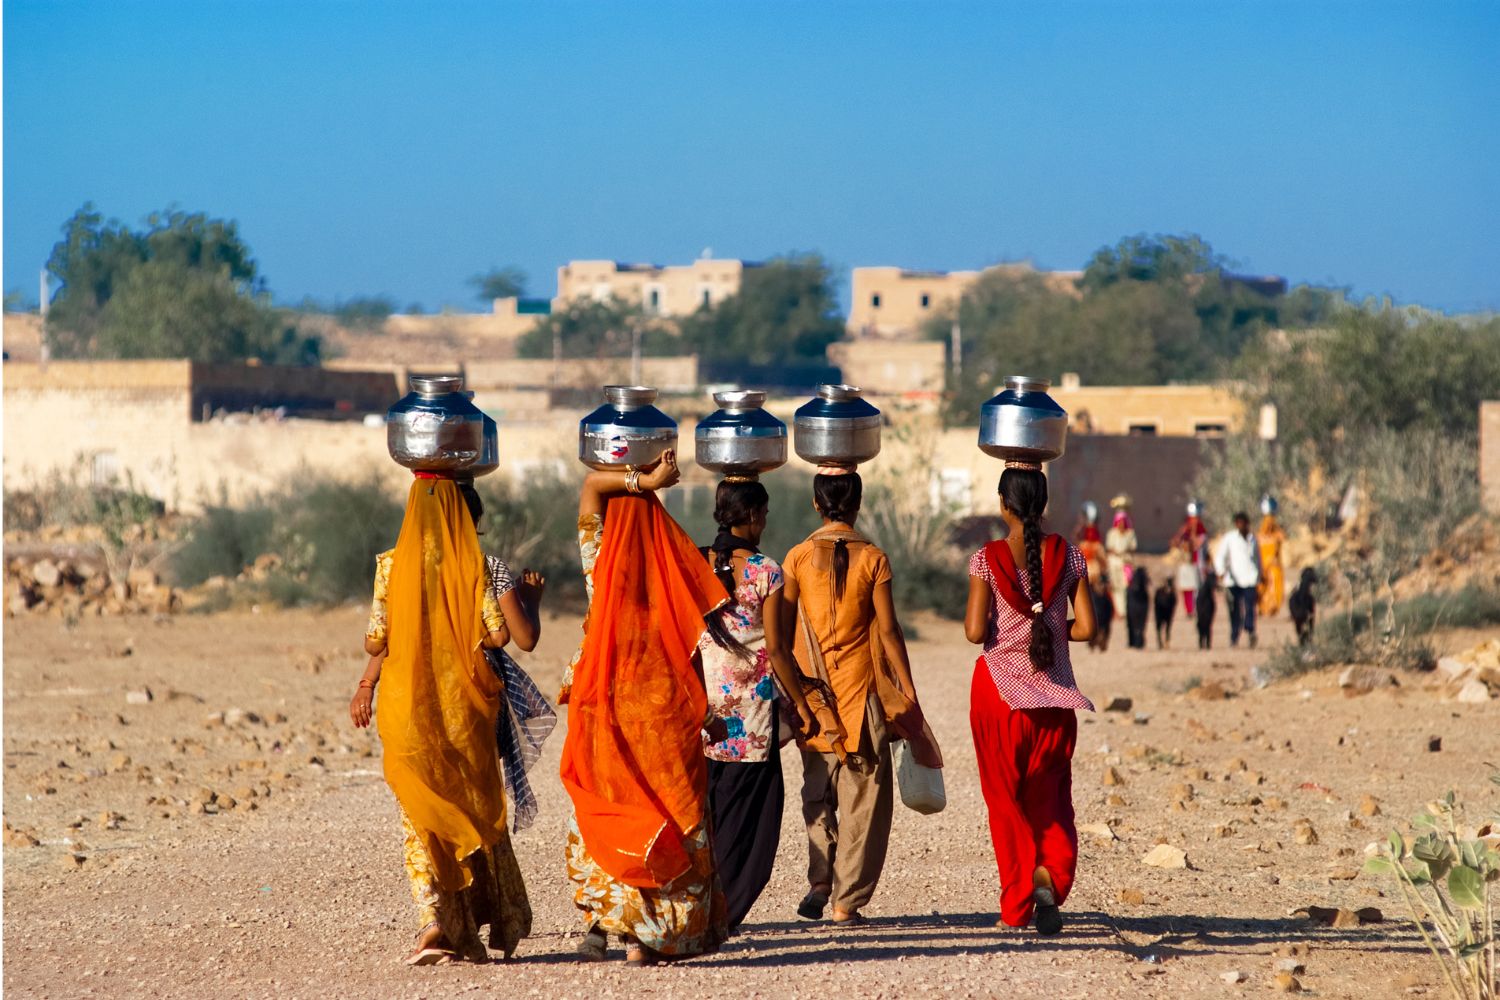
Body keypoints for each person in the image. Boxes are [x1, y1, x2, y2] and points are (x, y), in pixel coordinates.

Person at [558, 450, 730, 966]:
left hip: (603, 699)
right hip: (662, 706)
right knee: (667, 809)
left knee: (608, 804)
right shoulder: (672, 566)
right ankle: (645, 937)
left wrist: (640, 479)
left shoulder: (599, 555)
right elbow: (692, 645)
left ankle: (602, 920)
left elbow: (591, 484)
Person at [351, 473, 530, 965]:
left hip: (407, 711)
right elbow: (497, 637)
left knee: (419, 815)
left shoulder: (390, 567)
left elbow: (374, 641)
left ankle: (434, 919)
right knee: (467, 808)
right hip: (464, 713)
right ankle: (470, 918)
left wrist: (368, 681)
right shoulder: (477, 567)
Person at [782, 467, 934, 928]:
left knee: (817, 793)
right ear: (858, 503)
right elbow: (888, 630)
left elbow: (784, 633)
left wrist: (795, 695)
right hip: (861, 697)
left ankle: (819, 882)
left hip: (813, 700)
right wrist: (907, 687)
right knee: (863, 801)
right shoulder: (874, 559)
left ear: (816, 503)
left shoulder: (796, 558)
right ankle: (846, 902)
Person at [964, 462, 1096, 935]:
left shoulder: (987, 559)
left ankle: (1016, 905)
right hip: (1056, 701)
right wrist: (1053, 632)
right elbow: (1089, 627)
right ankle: (1048, 877)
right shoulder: (1070, 556)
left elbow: (975, 631)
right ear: (1043, 504)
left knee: (1005, 801)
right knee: (1051, 799)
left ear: (1003, 504)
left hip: (999, 697)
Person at [698, 478, 819, 931]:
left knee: (708, 815)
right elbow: (778, 649)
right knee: (751, 824)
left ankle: (697, 904)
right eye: (763, 515)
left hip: (704, 713)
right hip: (751, 720)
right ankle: (720, 911)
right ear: (750, 515)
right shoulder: (766, 570)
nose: (765, 523)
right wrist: (803, 709)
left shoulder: (697, 562)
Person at [1214, 512, 1263, 648]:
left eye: (1244, 523)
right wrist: (1221, 572)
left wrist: (1260, 575)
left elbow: (1258, 559)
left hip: (1250, 579)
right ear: (1236, 524)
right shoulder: (1229, 538)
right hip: (1233, 581)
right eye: (1239, 523)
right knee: (1234, 610)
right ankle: (1234, 636)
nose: (1241, 525)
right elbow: (1220, 557)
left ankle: (1250, 631)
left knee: (1250, 608)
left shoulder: (1253, 539)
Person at [1171, 501, 1209, 617]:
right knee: (1187, 587)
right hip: (1186, 563)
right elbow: (1175, 542)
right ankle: (1189, 609)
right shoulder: (1184, 530)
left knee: (1197, 586)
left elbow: (1199, 544)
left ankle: (1197, 608)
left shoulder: (1202, 531)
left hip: (1198, 562)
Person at [1104, 495, 1137, 618]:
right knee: (1115, 587)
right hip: (1114, 563)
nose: (1121, 524)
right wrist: (1115, 552)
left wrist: (1124, 551)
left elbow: (1133, 547)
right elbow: (1109, 547)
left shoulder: (1130, 534)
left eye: (1123, 522)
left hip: (1125, 563)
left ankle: (1125, 610)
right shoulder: (1111, 534)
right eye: (1120, 522)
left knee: (1125, 587)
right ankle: (1119, 611)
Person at [1257, 496, 1287, 618]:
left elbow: (1282, 542)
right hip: (1263, 565)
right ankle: (1262, 607)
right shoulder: (1260, 533)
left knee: (1276, 582)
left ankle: (1273, 608)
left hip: (1274, 564)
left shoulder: (1278, 533)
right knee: (1261, 586)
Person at [1125, 566, 1150, 650]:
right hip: (1135, 601)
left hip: (1139, 601)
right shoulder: (1132, 589)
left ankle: (1137, 641)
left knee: (1138, 624)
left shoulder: (1134, 587)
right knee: (1135, 624)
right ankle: (1135, 641)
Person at [1154, 578, 1177, 649]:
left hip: (1168, 612)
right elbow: (1156, 602)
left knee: (1168, 627)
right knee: (1159, 627)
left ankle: (1167, 641)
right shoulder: (1159, 591)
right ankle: (1160, 641)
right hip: (1159, 612)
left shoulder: (1172, 594)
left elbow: (1174, 603)